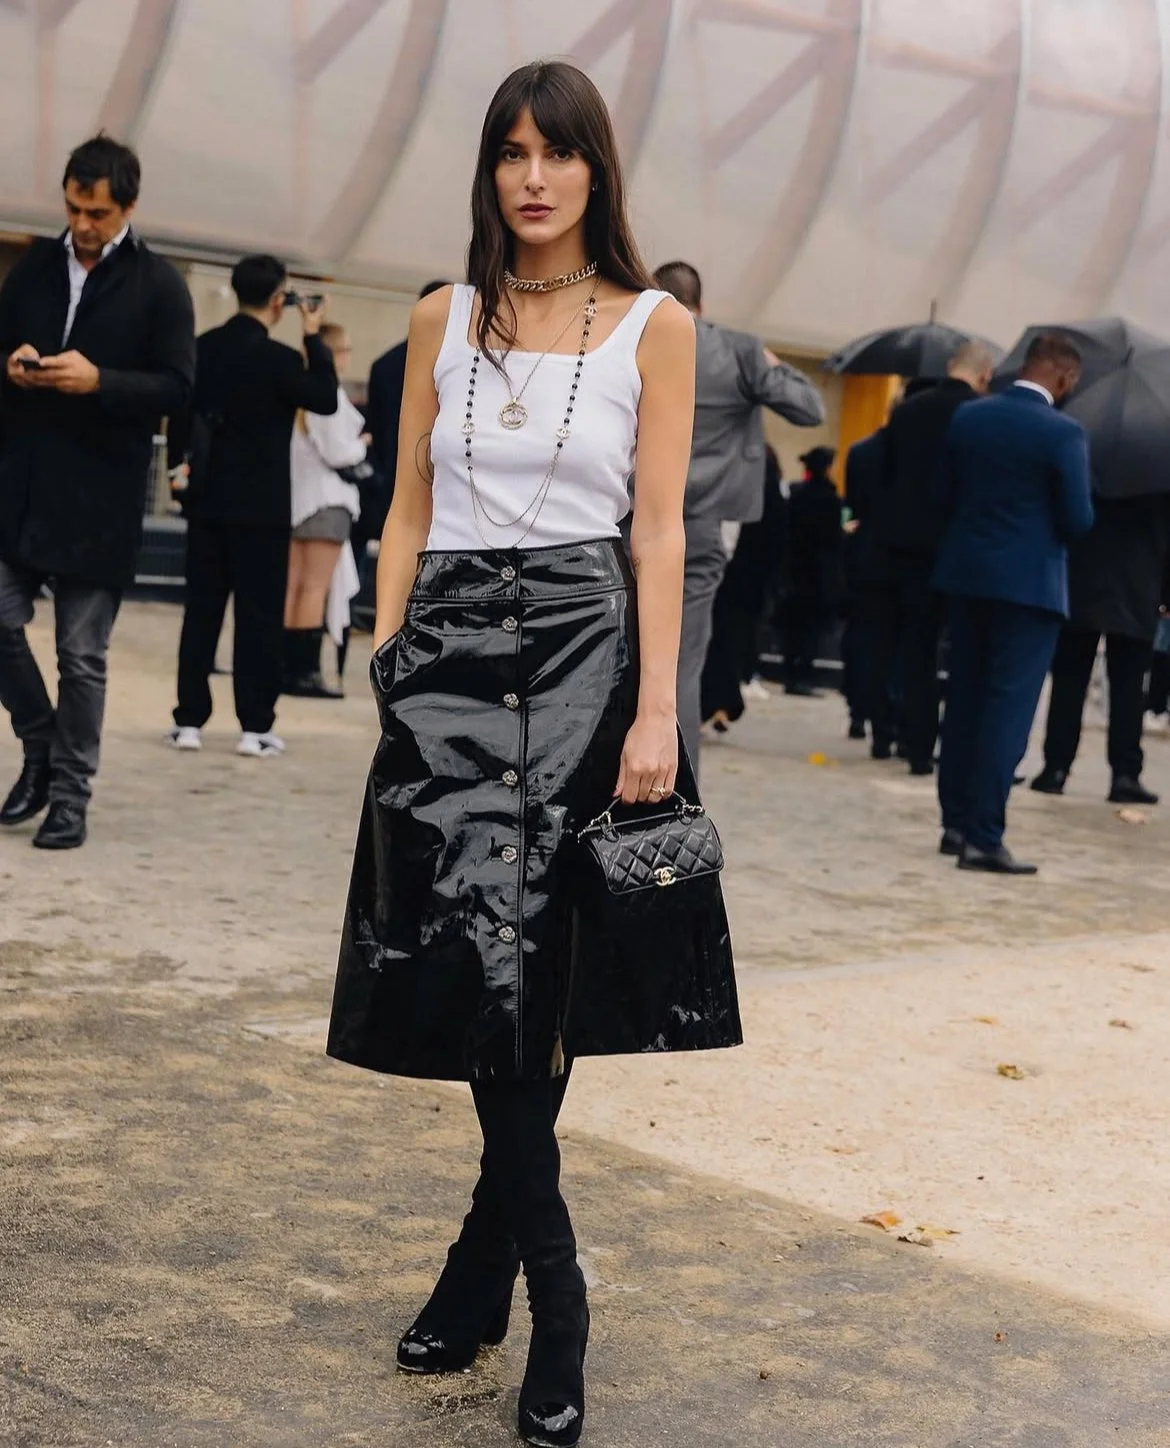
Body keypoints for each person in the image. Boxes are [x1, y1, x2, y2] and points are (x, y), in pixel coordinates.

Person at [326, 61, 740, 1448]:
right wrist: (388, 647)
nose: (531, 176)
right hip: (443, 656)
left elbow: (660, 533)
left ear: (593, 172)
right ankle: (497, 1279)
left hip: (580, 654)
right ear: (489, 169)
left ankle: (539, 1301)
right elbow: (404, 504)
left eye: (556, 152)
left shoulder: (654, 324)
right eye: (509, 150)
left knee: (535, 970)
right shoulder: (442, 313)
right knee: (461, 960)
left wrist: (654, 715)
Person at [0, 134, 195, 849]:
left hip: (100, 501)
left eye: (99, 212)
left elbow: (181, 388)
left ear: (129, 207)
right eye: (75, 207)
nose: (83, 224)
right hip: (20, 488)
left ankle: (70, 796)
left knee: (82, 658)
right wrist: (11, 364)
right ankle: (41, 746)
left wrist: (101, 382)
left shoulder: (161, 285)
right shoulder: (32, 270)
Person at [652, 259, 824, 772]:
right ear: (701, 306)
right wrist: (769, 362)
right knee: (681, 664)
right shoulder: (738, 349)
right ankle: (675, 791)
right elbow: (809, 409)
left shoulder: (625, 338)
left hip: (623, 519)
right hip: (702, 525)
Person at [934, 333, 1094, 875]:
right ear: (1066, 378)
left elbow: (945, 497)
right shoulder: (1065, 432)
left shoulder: (970, 418)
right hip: (1030, 588)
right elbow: (1078, 519)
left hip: (966, 577)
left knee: (963, 700)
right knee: (1008, 710)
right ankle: (984, 836)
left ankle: (954, 824)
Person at [167, 255, 338, 757]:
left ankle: (188, 722)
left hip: (207, 502)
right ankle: (254, 726)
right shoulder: (281, 360)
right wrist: (313, 337)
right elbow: (325, 398)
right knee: (258, 617)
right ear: (278, 300)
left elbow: (179, 413)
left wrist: (182, 476)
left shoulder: (202, 349)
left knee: (201, 612)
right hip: (262, 508)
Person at [871, 342, 997, 773]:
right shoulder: (982, 416)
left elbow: (887, 478)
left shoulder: (907, 411)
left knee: (912, 648)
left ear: (949, 367)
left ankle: (909, 740)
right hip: (957, 548)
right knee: (957, 653)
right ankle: (948, 745)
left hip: (904, 548)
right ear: (985, 375)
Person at [1030, 493, 1170, 805]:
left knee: (1069, 682)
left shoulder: (1091, 461)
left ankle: (1055, 767)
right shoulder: (1158, 471)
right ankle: (1125, 773)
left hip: (1083, 580)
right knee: (1129, 688)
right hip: (1138, 584)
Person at [285, 322, 367, 699]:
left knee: (297, 586)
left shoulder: (302, 394)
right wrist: (363, 445)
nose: (349, 356)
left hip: (300, 501)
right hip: (328, 501)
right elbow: (338, 452)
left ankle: (287, 666)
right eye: (345, 349)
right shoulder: (327, 395)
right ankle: (304, 671)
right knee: (315, 588)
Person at [700, 446, 786, 731]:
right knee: (731, 639)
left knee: (711, 639)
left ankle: (714, 704)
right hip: (744, 574)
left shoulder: (716, 459)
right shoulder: (763, 466)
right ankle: (722, 704)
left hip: (722, 568)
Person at [784, 445, 842, 697]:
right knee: (811, 627)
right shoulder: (830, 499)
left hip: (795, 567)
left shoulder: (796, 494)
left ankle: (790, 672)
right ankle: (803, 674)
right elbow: (832, 539)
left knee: (793, 625)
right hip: (819, 571)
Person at [843, 427, 888, 742]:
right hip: (898, 556)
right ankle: (884, 717)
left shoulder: (861, 451)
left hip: (863, 554)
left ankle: (858, 710)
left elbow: (854, 501)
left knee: (860, 635)